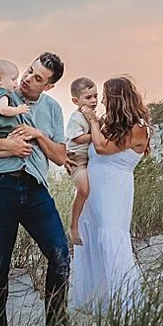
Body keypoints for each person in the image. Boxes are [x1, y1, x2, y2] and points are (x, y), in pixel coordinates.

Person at [0, 52, 71, 326]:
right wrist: (6, 146)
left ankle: (56, 322)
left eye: (37, 78)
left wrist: (38, 134)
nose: (27, 79)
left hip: (35, 189)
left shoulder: (52, 109)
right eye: (29, 70)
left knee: (60, 253)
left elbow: (60, 157)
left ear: (48, 86)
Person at [69, 77, 151, 315]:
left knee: (111, 238)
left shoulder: (139, 126)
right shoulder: (112, 123)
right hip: (94, 191)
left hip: (114, 190)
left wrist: (94, 122)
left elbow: (103, 147)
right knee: (92, 237)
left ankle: (126, 304)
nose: (101, 100)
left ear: (117, 98)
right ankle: (98, 301)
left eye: (105, 95)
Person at [65, 77, 98, 246]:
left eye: (95, 96)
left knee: (93, 192)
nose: (93, 101)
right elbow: (77, 138)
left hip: (90, 159)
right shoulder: (76, 118)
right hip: (76, 160)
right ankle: (73, 225)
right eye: (88, 97)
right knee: (84, 190)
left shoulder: (92, 115)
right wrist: (97, 137)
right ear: (75, 100)